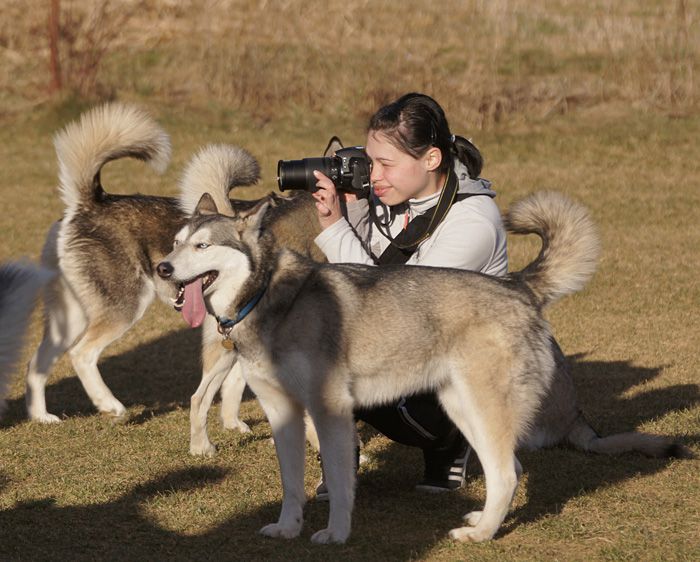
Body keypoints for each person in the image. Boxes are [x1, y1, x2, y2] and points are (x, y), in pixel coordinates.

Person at [311, 92, 508, 496]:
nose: (375, 175)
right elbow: (368, 275)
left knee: (339, 357)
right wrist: (357, 211)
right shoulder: (397, 196)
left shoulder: (472, 223)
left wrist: (333, 228)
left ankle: (451, 441)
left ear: (431, 160)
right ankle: (339, 457)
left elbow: (390, 305)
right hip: (418, 347)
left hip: (461, 370)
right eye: (370, 161)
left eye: (386, 164)